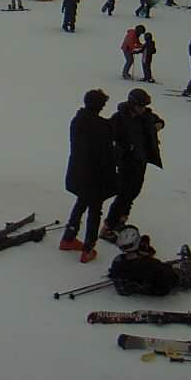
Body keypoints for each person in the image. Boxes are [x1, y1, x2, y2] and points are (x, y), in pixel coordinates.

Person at [61, 89, 117, 263]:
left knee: (81, 202)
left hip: (78, 172)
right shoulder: (101, 127)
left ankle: (68, 238)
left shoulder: (78, 120)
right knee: (95, 210)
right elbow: (106, 154)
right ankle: (88, 248)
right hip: (96, 175)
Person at [101, 89, 164, 241]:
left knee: (134, 192)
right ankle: (108, 226)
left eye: (144, 106)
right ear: (132, 104)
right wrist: (122, 150)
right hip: (126, 162)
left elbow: (159, 120)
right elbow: (108, 136)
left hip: (140, 161)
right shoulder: (119, 118)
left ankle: (121, 220)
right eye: (140, 106)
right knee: (124, 193)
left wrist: (158, 125)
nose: (143, 109)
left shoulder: (146, 116)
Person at [108, 226, 191, 295]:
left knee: (168, 265)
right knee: (190, 273)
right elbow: (168, 277)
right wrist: (176, 273)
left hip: (143, 280)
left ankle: (184, 264)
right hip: (158, 286)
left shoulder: (118, 261)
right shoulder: (150, 265)